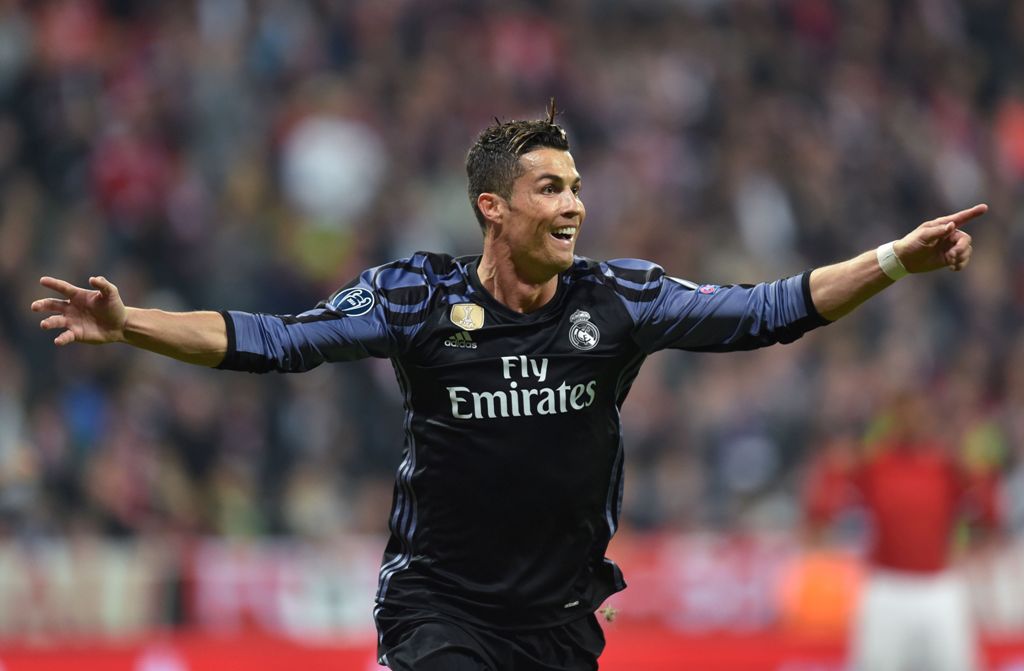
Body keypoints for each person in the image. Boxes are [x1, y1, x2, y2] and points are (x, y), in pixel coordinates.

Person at [32, 106, 984, 670]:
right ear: (494, 206)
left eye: (576, 185)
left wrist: (896, 259)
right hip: (439, 605)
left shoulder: (620, 300)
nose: (574, 203)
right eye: (550, 187)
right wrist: (131, 323)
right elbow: (274, 340)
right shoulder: (415, 297)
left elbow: (773, 308)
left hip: (560, 617)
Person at [803, 392, 1003, 671]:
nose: (912, 421)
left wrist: (980, 543)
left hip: (938, 587)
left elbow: (988, 510)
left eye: (918, 413)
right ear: (893, 420)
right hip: (887, 587)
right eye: (905, 414)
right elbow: (825, 499)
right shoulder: (875, 465)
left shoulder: (947, 466)